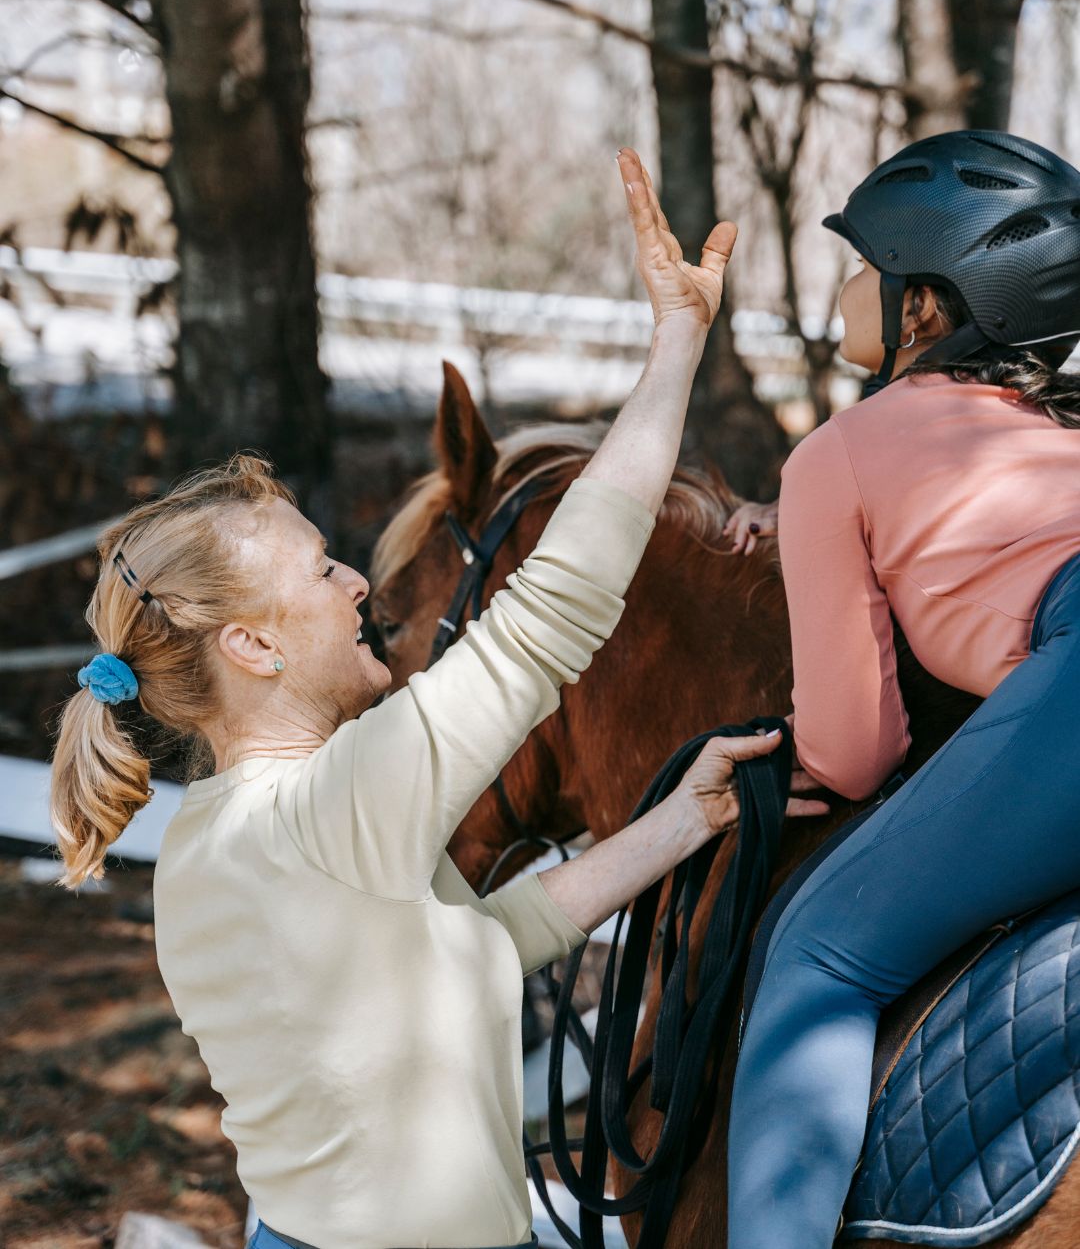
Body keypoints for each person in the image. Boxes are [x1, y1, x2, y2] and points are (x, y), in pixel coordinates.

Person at [48, 147, 825, 1249]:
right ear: (253, 647)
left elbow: (477, 948)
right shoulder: (341, 805)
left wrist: (679, 821)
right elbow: (552, 611)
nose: (359, 581)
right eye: (324, 572)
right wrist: (676, 344)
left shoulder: (211, 843)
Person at [724, 129, 1080, 1248]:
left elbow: (856, 750)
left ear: (922, 309)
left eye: (859, 262)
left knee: (822, 956)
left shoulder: (840, 449)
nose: (840, 286)